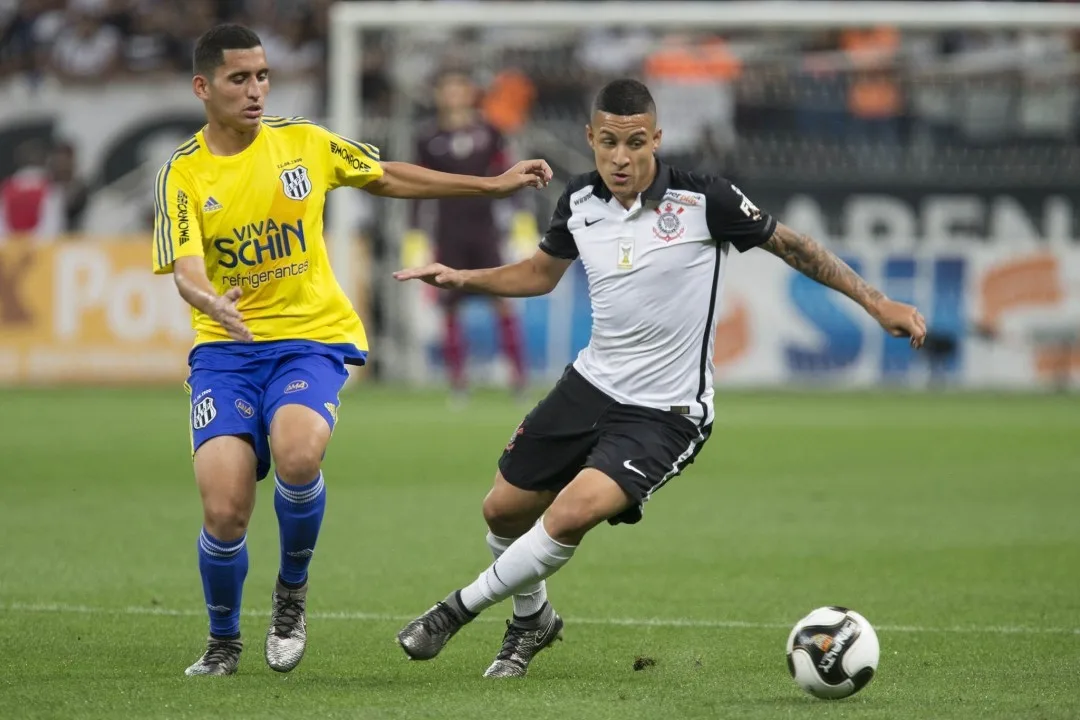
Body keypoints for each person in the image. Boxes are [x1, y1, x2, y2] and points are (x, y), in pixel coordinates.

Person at [392, 78, 926, 678]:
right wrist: (463, 278)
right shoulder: (579, 202)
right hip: (590, 385)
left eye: (636, 143)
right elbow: (541, 274)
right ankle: (532, 620)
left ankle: (452, 611)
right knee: (502, 511)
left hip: (665, 412)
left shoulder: (706, 200)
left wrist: (877, 303)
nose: (622, 158)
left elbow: (795, 247)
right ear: (591, 139)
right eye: (609, 144)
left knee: (570, 513)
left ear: (657, 139)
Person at [151, 24, 551, 678]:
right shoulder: (184, 172)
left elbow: (386, 175)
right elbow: (186, 265)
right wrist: (206, 300)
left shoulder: (303, 142)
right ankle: (223, 642)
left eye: (261, 75)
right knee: (224, 509)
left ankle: (291, 593)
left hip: (309, 337)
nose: (255, 90)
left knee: (299, 452)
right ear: (203, 87)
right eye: (238, 78)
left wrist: (488, 185)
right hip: (226, 350)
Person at [408, 69, 529, 403]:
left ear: (469, 93)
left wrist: (521, 224)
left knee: (503, 302)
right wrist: (416, 235)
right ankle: (458, 383)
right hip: (449, 233)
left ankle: (519, 379)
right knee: (449, 308)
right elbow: (417, 186)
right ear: (438, 95)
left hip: (486, 229)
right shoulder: (428, 138)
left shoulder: (490, 132)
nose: (454, 95)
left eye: (459, 88)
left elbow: (510, 174)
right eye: (447, 89)